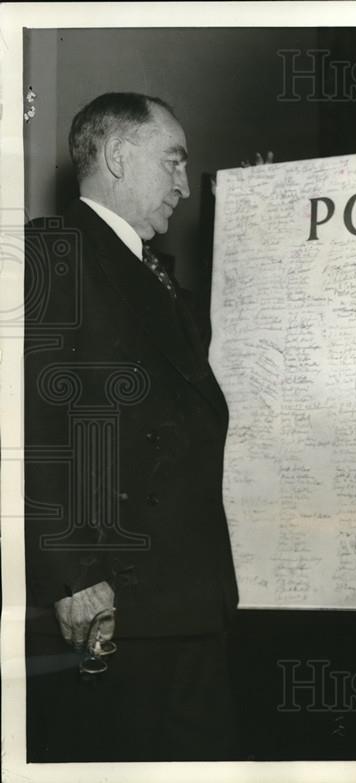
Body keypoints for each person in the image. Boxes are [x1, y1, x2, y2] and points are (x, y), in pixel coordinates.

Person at [24, 92, 239, 761]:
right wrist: (75, 573)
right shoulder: (51, 254)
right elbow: (32, 421)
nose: (184, 182)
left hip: (183, 597)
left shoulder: (154, 276)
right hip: (114, 599)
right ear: (118, 155)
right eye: (173, 161)